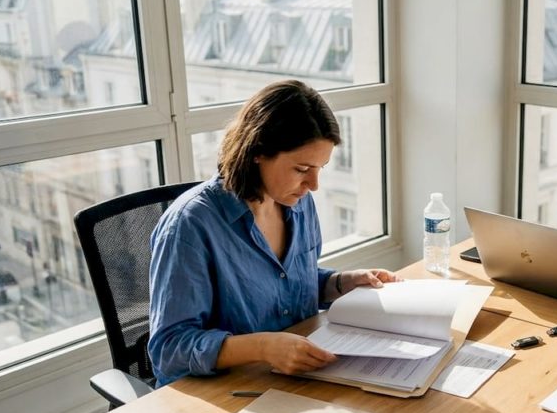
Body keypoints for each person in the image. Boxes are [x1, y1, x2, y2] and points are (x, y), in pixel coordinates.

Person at [148, 80, 401, 387]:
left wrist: (339, 283)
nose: (313, 185)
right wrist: (264, 347)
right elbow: (170, 349)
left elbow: (281, 286)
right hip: (224, 392)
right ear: (258, 151)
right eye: (301, 169)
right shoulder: (189, 225)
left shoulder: (297, 203)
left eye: (320, 168)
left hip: (295, 377)